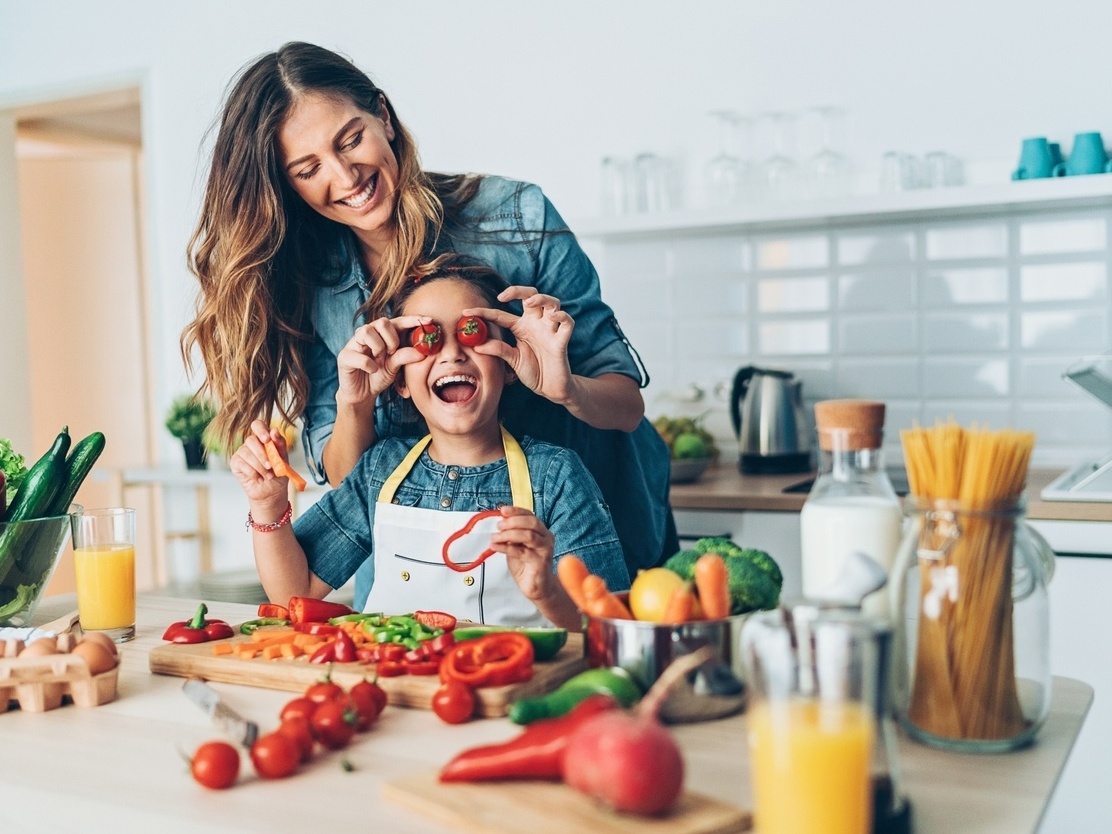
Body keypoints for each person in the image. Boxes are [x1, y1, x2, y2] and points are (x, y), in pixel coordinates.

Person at [182, 41, 677, 578]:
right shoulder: (305, 281)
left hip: (575, 541)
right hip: (417, 559)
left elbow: (626, 406)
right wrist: (355, 404)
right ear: (286, 186)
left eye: (351, 140)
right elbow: (350, 476)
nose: (346, 177)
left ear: (384, 116)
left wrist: (565, 388)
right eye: (307, 169)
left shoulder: (516, 218)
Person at [229, 258, 629, 630]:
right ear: (400, 380)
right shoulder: (379, 469)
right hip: (392, 694)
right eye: (428, 339)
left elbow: (608, 629)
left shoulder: (557, 476)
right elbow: (294, 593)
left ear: (507, 363)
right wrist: (267, 504)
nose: (453, 354)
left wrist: (546, 591)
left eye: (473, 334)